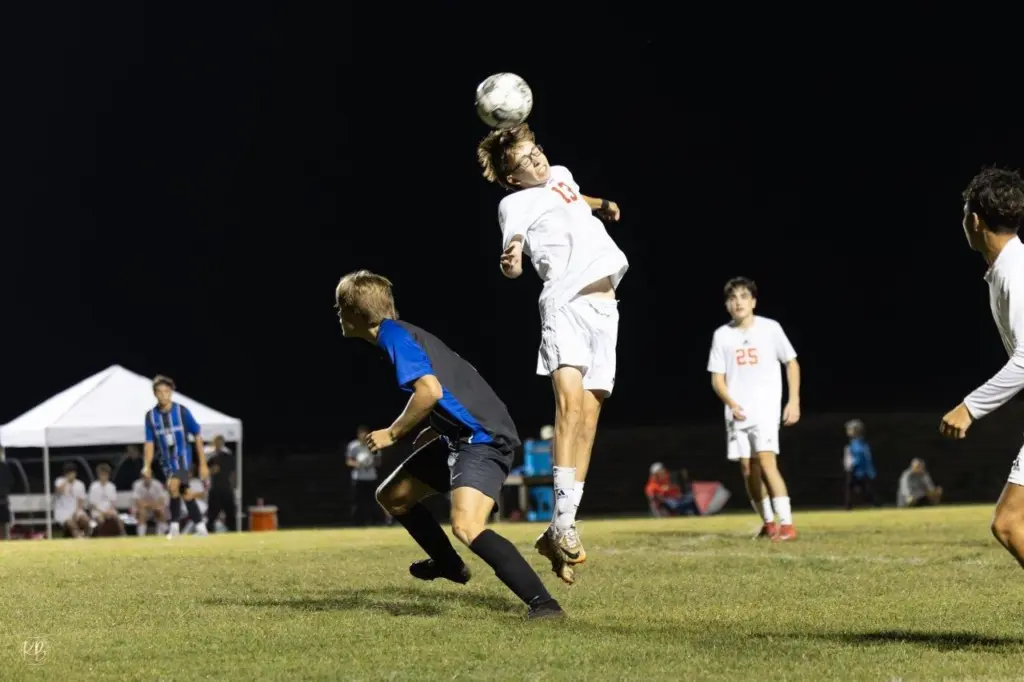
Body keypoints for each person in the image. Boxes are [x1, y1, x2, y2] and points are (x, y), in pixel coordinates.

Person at [335, 270, 563, 619]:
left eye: (340, 307)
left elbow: (430, 391)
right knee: (393, 495)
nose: (337, 313)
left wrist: (393, 433)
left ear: (355, 312)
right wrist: (437, 426)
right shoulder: (402, 334)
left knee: (466, 526)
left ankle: (544, 604)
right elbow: (450, 390)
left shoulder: (394, 336)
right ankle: (448, 564)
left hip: (482, 438)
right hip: (459, 436)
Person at [477, 123, 628, 583]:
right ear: (512, 177)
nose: (537, 159)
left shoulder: (560, 173)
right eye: (525, 160)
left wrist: (603, 203)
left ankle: (559, 528)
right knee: (569, 408)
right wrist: (512, 261)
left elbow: (574, 198)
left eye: (536, 150)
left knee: (590, 418)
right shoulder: (514, 204)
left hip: (606, 309)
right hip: (565, 303)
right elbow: (514, 248)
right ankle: (563, 526)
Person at [940, 166, 1024, 571]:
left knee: (1009, 523)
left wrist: (970, 407)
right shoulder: (1008, 267)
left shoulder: (1014, 272)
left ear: (974, 220)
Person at [707, 277, 800, 541]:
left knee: (767, 462)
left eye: (744, 296)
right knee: (748, 469)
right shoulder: (722, 335)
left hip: (765, 409)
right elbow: (717, 379)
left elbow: (792, 363)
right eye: (733, 298)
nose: (738, 302)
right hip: (737, 413)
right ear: (727, 305)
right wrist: (731, 403)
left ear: (754, 302)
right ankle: (768, 522)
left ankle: (787, 524)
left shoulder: (770, 328)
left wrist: (793, 401)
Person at [142, 375, 209, 538]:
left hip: (183, 458)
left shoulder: (182, 412)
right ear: (155, 394)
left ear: (171, 392)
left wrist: (202, 464)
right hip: (166, 461)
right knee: (184, 492)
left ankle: (174, 528)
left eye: (166, 391)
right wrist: (147, 465)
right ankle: (201, 528)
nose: (163, 395)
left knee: (173, 486)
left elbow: (197, 434)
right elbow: (149, 443)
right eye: (160, 392)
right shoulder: (151, 416)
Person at [346, 425, 382, 525]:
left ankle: (374, 521)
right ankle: (357, 522)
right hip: (358, 478)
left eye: (365, 434)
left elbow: (378, 461)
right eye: (361, 434)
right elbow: (348, 461)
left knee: (373, 501)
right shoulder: (353, 446)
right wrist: (358, 464)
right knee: (357, 501)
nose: (363, 436)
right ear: (358, 435)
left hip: (371, 477)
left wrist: (371, 463)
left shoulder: (374, 445)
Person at [844, 419, 878, 509]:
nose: (848, 431)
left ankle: (876, 503)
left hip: (860, 469)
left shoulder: (862, 444)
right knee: (851, 487)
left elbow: (866, 458)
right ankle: (848, 505)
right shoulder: (852, 443)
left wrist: (870, 470)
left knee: (865, 489)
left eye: (850, 429)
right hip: (853, 469)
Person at [206, 436, 237, 532]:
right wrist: (212, 470)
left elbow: (233, 473)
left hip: (226, 487)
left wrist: (233, 486)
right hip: (215, 488)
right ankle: (209, 530)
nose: (218, 445)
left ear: (223, 444)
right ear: (214, 444)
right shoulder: (211, 458)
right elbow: (205, 472)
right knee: (212, 513)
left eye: (220, 443)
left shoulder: (228, 457)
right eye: (216, 443)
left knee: (230, 512)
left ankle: (232, 531)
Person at [54, 462, 90, 538]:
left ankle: (87, 537)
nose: (71, 475)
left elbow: (80, 501)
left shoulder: (80, 484)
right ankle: (79, 538)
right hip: (62, 512)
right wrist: (66, 481)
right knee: (71, 523)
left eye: (73, 473)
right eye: (69, 473)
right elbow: (58, 492)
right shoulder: (59, 481)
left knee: (85, 520)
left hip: (76, 510)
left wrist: (76, 512)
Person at [88, 463, 125, 536]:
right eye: (102, 474)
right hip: (97, 511)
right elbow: (92, 505)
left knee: (119, 519)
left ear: (108, 475)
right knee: (101, 519)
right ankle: (100, 536)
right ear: (99, 475)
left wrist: (109, 511)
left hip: (109, 510)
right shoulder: (93, 486)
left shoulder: (112, 486)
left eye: (105, 474)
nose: (104, 476)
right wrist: (102, 512)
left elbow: (113, 503)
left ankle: (123, 535)